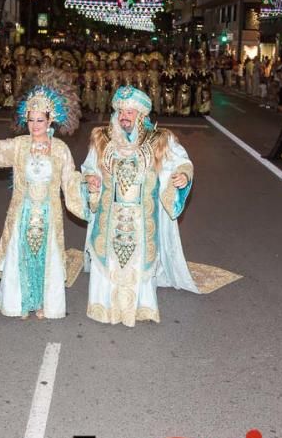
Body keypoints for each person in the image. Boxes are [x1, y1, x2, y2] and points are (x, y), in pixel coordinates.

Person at [0, 86, 85, 320]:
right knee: (23, 256)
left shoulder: (60, 149)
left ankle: (42, 304)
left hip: (49, 214)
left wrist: (87, 187)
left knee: (44, 259)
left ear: (51, 120)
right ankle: (21, 301)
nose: (35, 125)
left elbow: (71, 180)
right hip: (22, 212)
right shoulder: (19, 145)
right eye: (31, 120)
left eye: (40, 120)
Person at [81, 86, 197, 327]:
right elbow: (90, 168)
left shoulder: (160, 140)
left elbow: (181, 161)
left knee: (138, 262)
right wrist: (90, 180)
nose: (124, 116)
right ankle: (105, 307)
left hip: (142, 217)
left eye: (130, 112)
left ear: (141, 115)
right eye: (121, 111)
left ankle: (140, 308)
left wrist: (183, 176)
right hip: (110, 215)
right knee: (109, 260)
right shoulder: (102, 139)